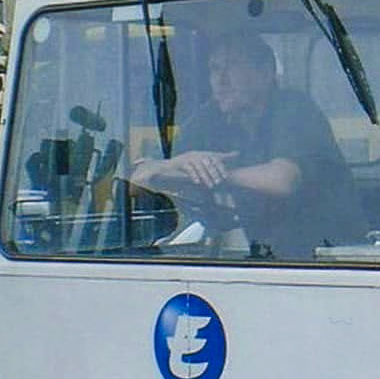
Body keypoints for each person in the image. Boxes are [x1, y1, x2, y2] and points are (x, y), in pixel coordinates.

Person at [132, 33, 366, 260]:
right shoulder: (209, 118)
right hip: (249, 254)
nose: (220, 80)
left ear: (265, 72)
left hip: (322, 256)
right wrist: (178, 163)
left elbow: (284, 180)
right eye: (214, 69)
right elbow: (139, 179)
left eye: (232, 66)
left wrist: (215, 174)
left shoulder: (295, 110)